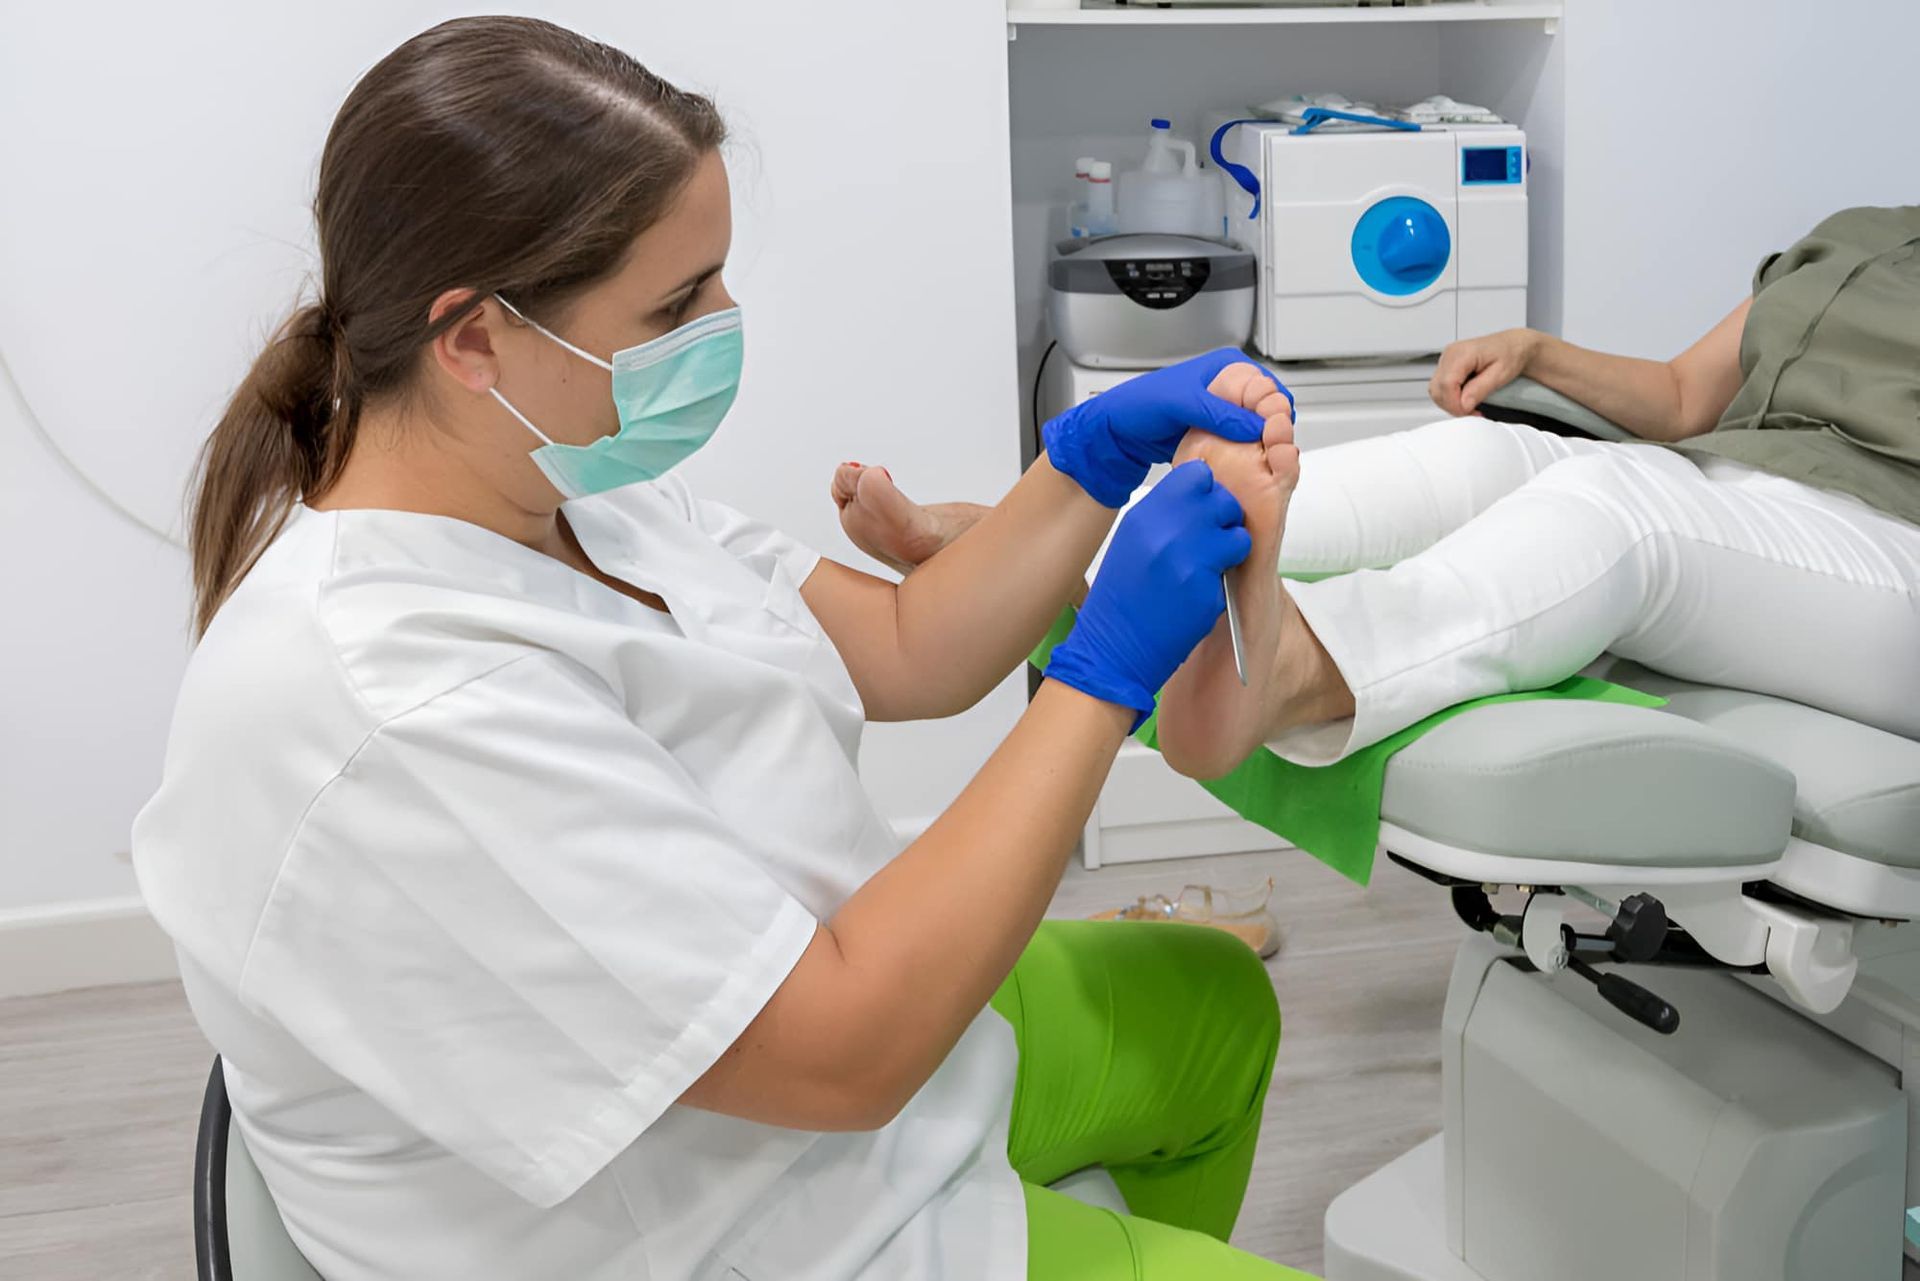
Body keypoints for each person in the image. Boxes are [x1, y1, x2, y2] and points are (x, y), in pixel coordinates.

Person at [131, 16, 1320, 1281]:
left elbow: (914, 645)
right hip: (747, 1210)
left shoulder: (563, 489)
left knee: (1216, 1010)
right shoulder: (393, 702)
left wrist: (1085, 463)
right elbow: (849, 1055)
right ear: (474, 339)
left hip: (823, 1036)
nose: (725, 321)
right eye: (678, 301)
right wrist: (1099, 679)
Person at [843, 206, 1920, 780]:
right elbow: (1687, 394)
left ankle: (1293, 672)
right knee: (1484, 459)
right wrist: (1541, 350)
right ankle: (1041, 561)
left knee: (1620, 521)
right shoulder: (1858, 236)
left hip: (1887, 550)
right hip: (1735, 485)